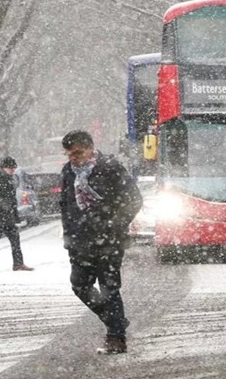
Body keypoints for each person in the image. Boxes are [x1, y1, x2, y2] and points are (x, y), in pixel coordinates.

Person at [60, 130, 142, 355]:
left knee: (109, 288)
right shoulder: (68, 172)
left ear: (91, 147)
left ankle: (116, 338)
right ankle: (116, 322)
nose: (74, 158)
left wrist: (114, 226)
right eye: (70, 155)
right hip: (80, 241)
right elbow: (66, 206)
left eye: (78, 153)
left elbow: (134, 200)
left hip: (109, 241)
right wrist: (69, 237)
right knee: (79, 285)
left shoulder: (110, 167)